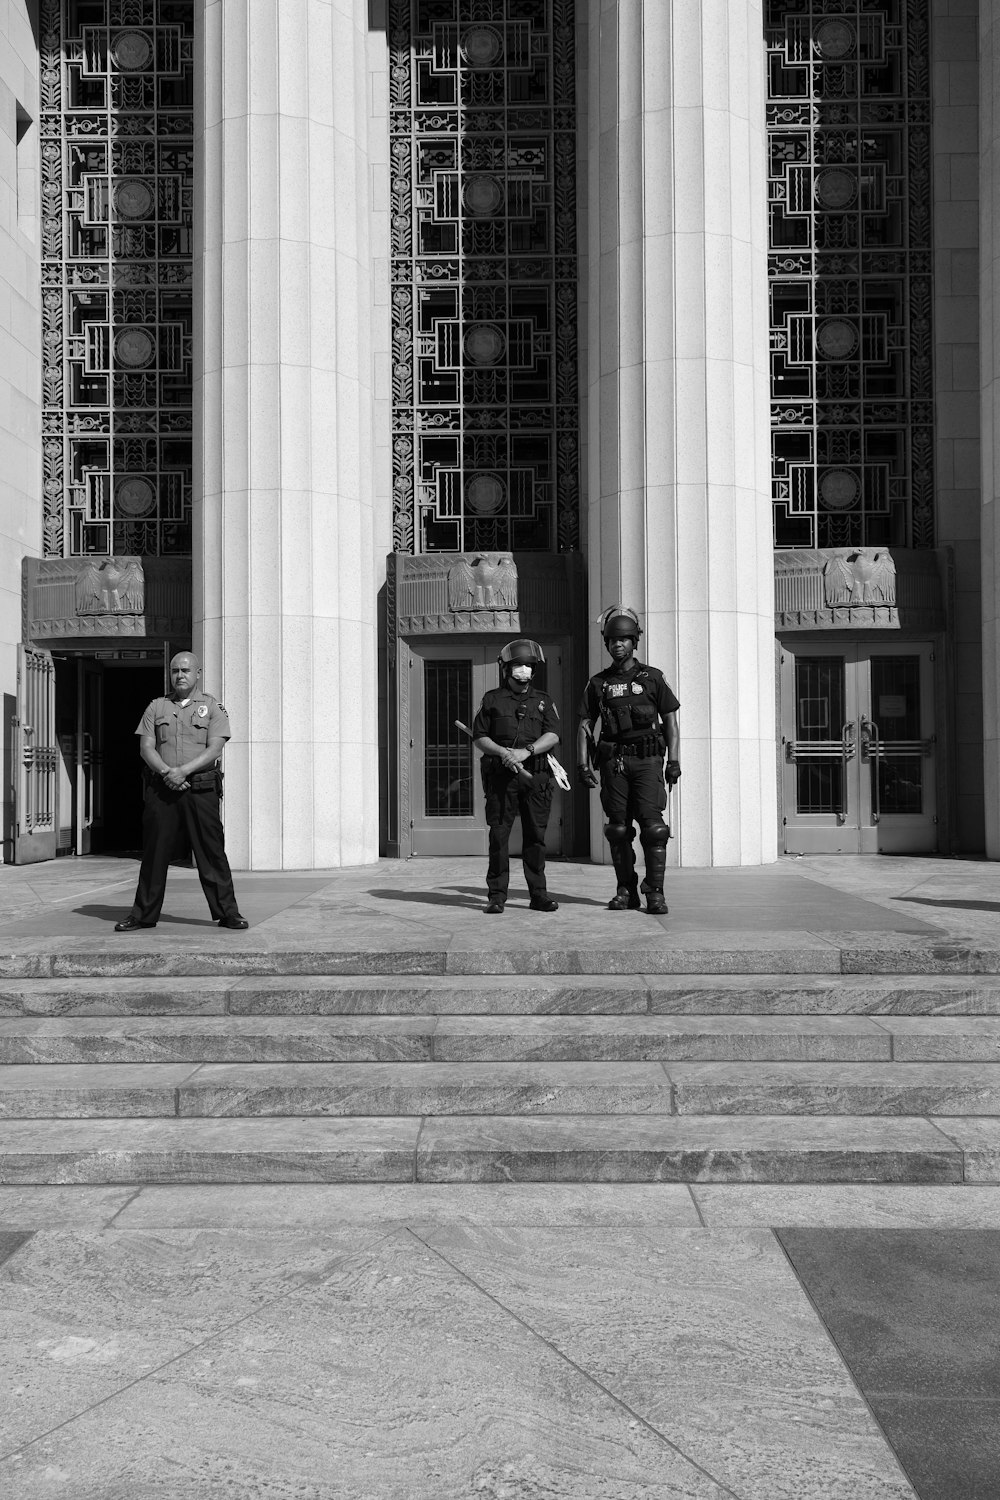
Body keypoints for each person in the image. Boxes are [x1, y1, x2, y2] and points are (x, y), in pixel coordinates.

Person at [114, 651, 248, 931]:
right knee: (154, 854)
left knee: (211, 853)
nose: (180, 675)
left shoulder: (213, 707)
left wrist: (183, 771)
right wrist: (167, 772)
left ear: (198, 673)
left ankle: (228, 913)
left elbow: (215, 748)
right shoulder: (156, 707)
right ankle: (143, 915)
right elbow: (146, 747)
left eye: (186, 670)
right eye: (175, 671)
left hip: (200, 789)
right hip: (162, 789)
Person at [576, 607, 680, 915]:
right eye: (612, 640)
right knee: (618, 830)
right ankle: (626, 889)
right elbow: (584, 724)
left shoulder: (652, 678)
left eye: (623, 639)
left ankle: (655, 892)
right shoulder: (598, 683)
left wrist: (674, 760)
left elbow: (671, 720)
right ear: (606, 643)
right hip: (615, 764)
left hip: (648, 762)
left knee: (654, 829)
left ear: (634, 642)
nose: (617, 645)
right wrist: (582, 765)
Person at [472, 639, 562, 914]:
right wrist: (501, 751)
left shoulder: (544, 700)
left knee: (535, 837)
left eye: (528, 666)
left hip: (535, 776)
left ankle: (538, 895)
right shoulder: (491, 699)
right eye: (518, 665)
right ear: (506, 669)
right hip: (502, 779)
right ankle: (497, 896)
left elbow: (553, 734)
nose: (523, 670)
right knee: (499, 837)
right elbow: (479, 736)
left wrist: (526, 752)